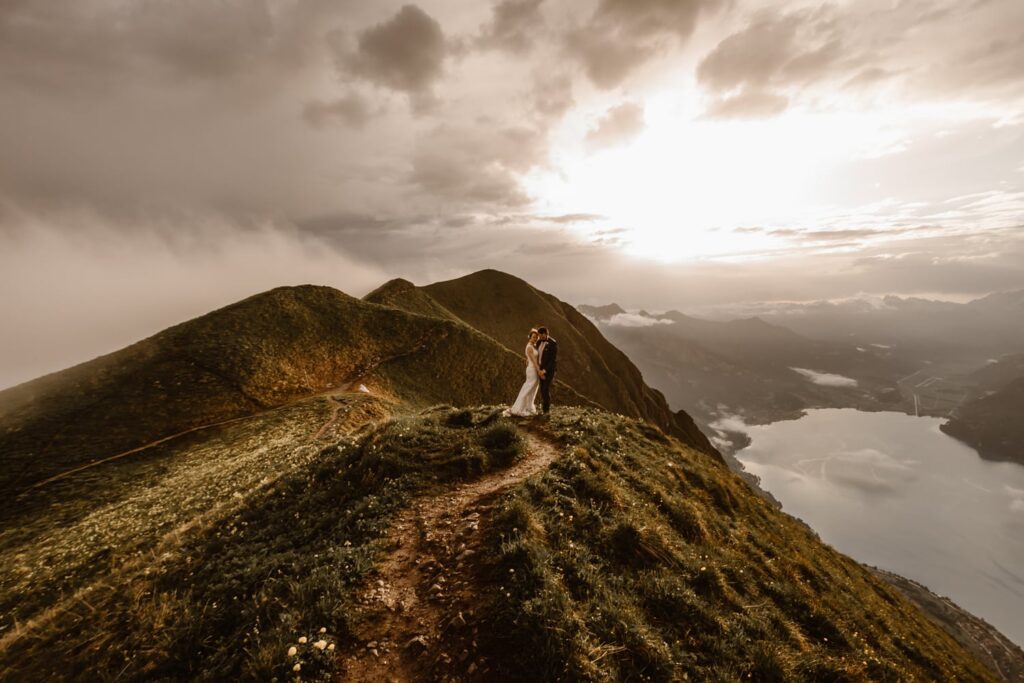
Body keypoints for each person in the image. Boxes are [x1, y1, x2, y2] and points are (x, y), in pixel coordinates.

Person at [505, 328, 542, 417]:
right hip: (532, 370)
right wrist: (539, 371)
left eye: (536, 337)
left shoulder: (533, 346)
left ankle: (528, 407)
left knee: (533, 389)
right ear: (529, 337)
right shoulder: (529, 347)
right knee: (528, 388)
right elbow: (534, 361)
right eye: (533, 337)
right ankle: (519, 408)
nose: (535, 339)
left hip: (532, 368)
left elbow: (530, 358)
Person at [536, 326, 557, 414]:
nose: (539, 337)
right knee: (542, 390)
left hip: (549, 370)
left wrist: (544, 371)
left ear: (545, 334)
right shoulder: (539, 342)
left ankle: (546, 410)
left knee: (545, 389)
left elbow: (552, 360)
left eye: (541, 336)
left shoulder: (553, 343)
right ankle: (544, 408)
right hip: (540, 370)